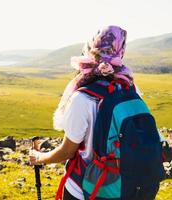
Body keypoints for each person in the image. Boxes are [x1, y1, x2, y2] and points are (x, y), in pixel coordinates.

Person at [29, 26, 144, 200]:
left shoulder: (82, 98)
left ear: (91, 50)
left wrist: (40, 157)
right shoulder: (131, 89)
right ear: (120, 51)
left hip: (83, 190)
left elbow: (67, 151)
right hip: (121, 187)